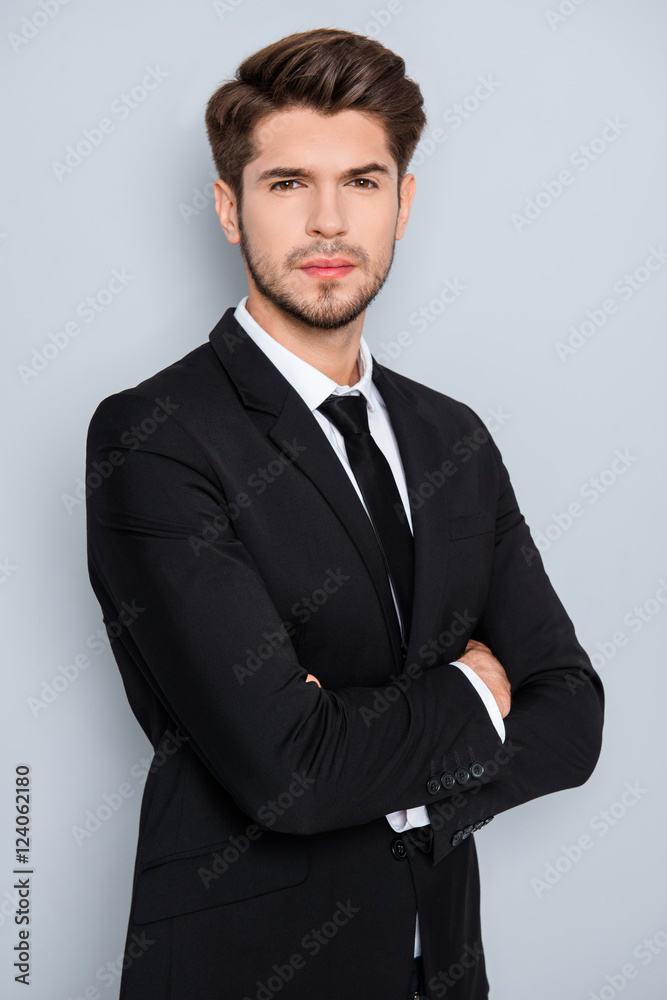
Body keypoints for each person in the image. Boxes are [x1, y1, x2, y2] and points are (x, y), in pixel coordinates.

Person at [85, 27, 604, 1000]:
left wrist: (378, 764)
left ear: (401, 204)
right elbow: (290, 767)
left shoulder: (452, 435)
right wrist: (473, 693)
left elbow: (570, 714)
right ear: (230, 208)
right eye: (287, 183)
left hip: (442, 972)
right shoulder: (152, 436)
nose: (328, 222)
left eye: (361, 182)